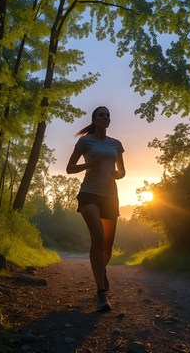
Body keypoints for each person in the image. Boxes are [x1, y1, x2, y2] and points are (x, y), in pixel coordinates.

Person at [66, 106, 126, 311]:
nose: (106, 117)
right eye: (101, 114)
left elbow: (123, 170)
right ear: (94, 119)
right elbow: (69, 168)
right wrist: (88, 165)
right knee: (98, 237)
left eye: (108, 115)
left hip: (111, 196)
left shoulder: (116, 144)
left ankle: (101, 271)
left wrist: (119, 175)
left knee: (108, 247)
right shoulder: (85, 141)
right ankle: (101, 293)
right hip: (89, 194)